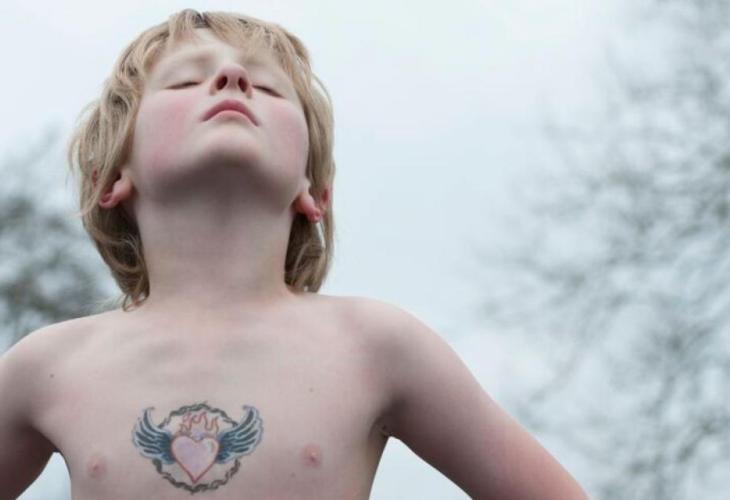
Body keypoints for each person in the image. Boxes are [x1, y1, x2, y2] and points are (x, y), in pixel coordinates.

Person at [0, 9, 588, 500]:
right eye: (184, 82)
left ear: (315, 191)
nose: (232, 77)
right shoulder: (45, 369)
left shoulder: (378, 346)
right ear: (110, 178)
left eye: (268, 87)